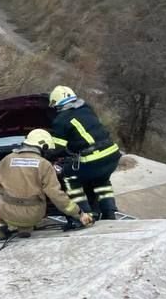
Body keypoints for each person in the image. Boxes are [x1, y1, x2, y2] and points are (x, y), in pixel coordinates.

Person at [0, 129, 93, 239]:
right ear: (43, 147)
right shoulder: (45, 165)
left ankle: (0, 226)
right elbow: (56, 195)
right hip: (33, 215)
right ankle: (25, 228)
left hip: (7, 213)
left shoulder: (7, 159)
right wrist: (79, 214)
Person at [47, 85, 121, 225]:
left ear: (57, 103)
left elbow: (57, 149)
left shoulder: (61, 120)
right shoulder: (87, 108)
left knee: (70, 178)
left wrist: (45, 156)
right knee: (101, 180)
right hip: (112, 154)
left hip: (94, 157)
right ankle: (109, 213)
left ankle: (85, 215)